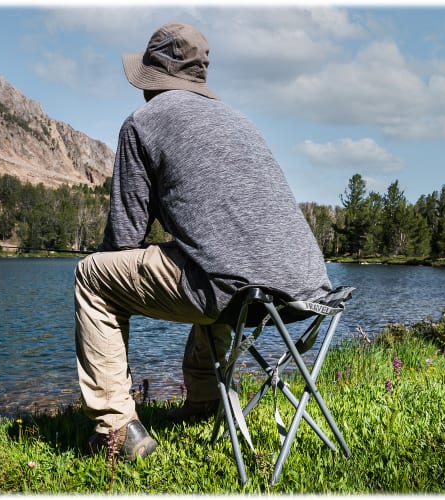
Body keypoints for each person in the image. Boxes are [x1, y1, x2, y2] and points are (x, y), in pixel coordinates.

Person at [74, 21, 333, 460]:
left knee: (93, 277)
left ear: (152, 78)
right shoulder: (239, 120)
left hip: (237, 291)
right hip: (307, 292)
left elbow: (124, 238)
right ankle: (205, 402)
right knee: (213, 260)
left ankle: (116, 431)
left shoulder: (143, 121)